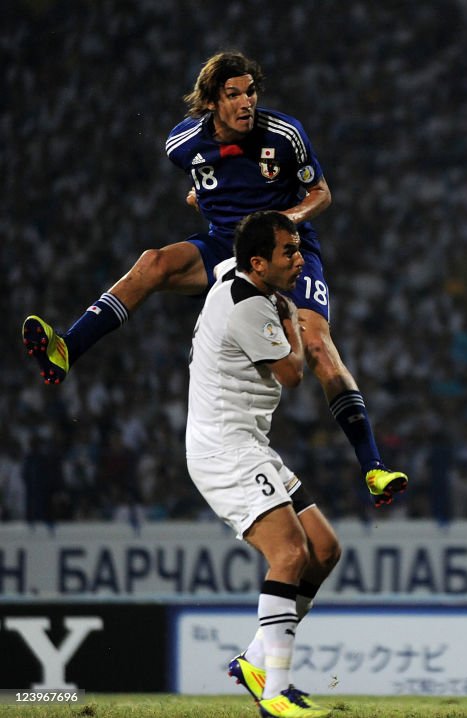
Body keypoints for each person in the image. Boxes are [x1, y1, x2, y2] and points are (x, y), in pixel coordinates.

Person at [21, 50, 406, 506]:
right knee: (154, 263)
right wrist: (202, 198)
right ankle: (67, 348)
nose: (247, 103)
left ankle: (374, 468)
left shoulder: (285, 135)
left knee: (318, 344)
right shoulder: (180, 145)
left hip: (287, 247)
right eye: (234, 95)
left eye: (251, 92)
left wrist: (286, 218)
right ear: (210, 103)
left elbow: (320, 192)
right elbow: (202, 184)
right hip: (227, 245)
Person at [188, 211, 335, 717]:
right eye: (289, 253)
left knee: (325, 549)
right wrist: (294, 316)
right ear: (258, 263)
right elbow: (293, 374)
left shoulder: (234, 271)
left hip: (248, 443)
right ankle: (276, 691)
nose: (300, 259)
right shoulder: (249, 307)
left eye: (297, 248)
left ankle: (253, 660)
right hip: (224, 448)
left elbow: (222, 257)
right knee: (291, 554)